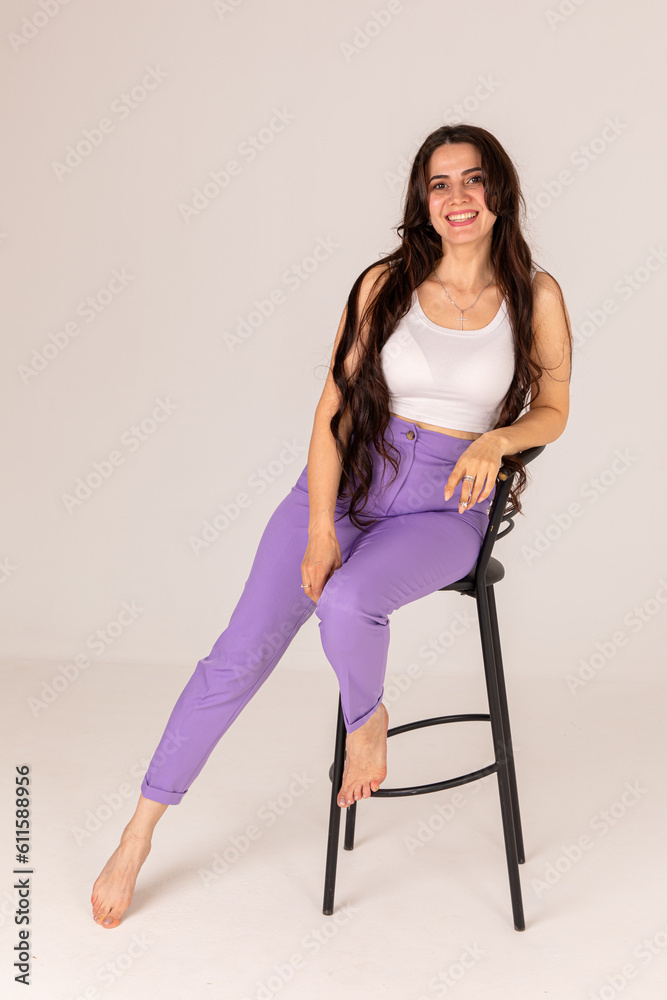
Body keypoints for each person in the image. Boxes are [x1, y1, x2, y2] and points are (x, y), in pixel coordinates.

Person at [91, 123, 572, 928]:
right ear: (422, 201)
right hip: (349, 482)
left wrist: (497, 436)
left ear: (500, 193)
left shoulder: (535, 294)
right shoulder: (384, 282)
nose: (457, 197)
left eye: (472, 180)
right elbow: (331, 409)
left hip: (445, 503)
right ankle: (139, 832)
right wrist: (321, 525)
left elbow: (553, 411)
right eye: (439, 183)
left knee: (350, 603)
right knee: (238, 653)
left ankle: (365, 719)